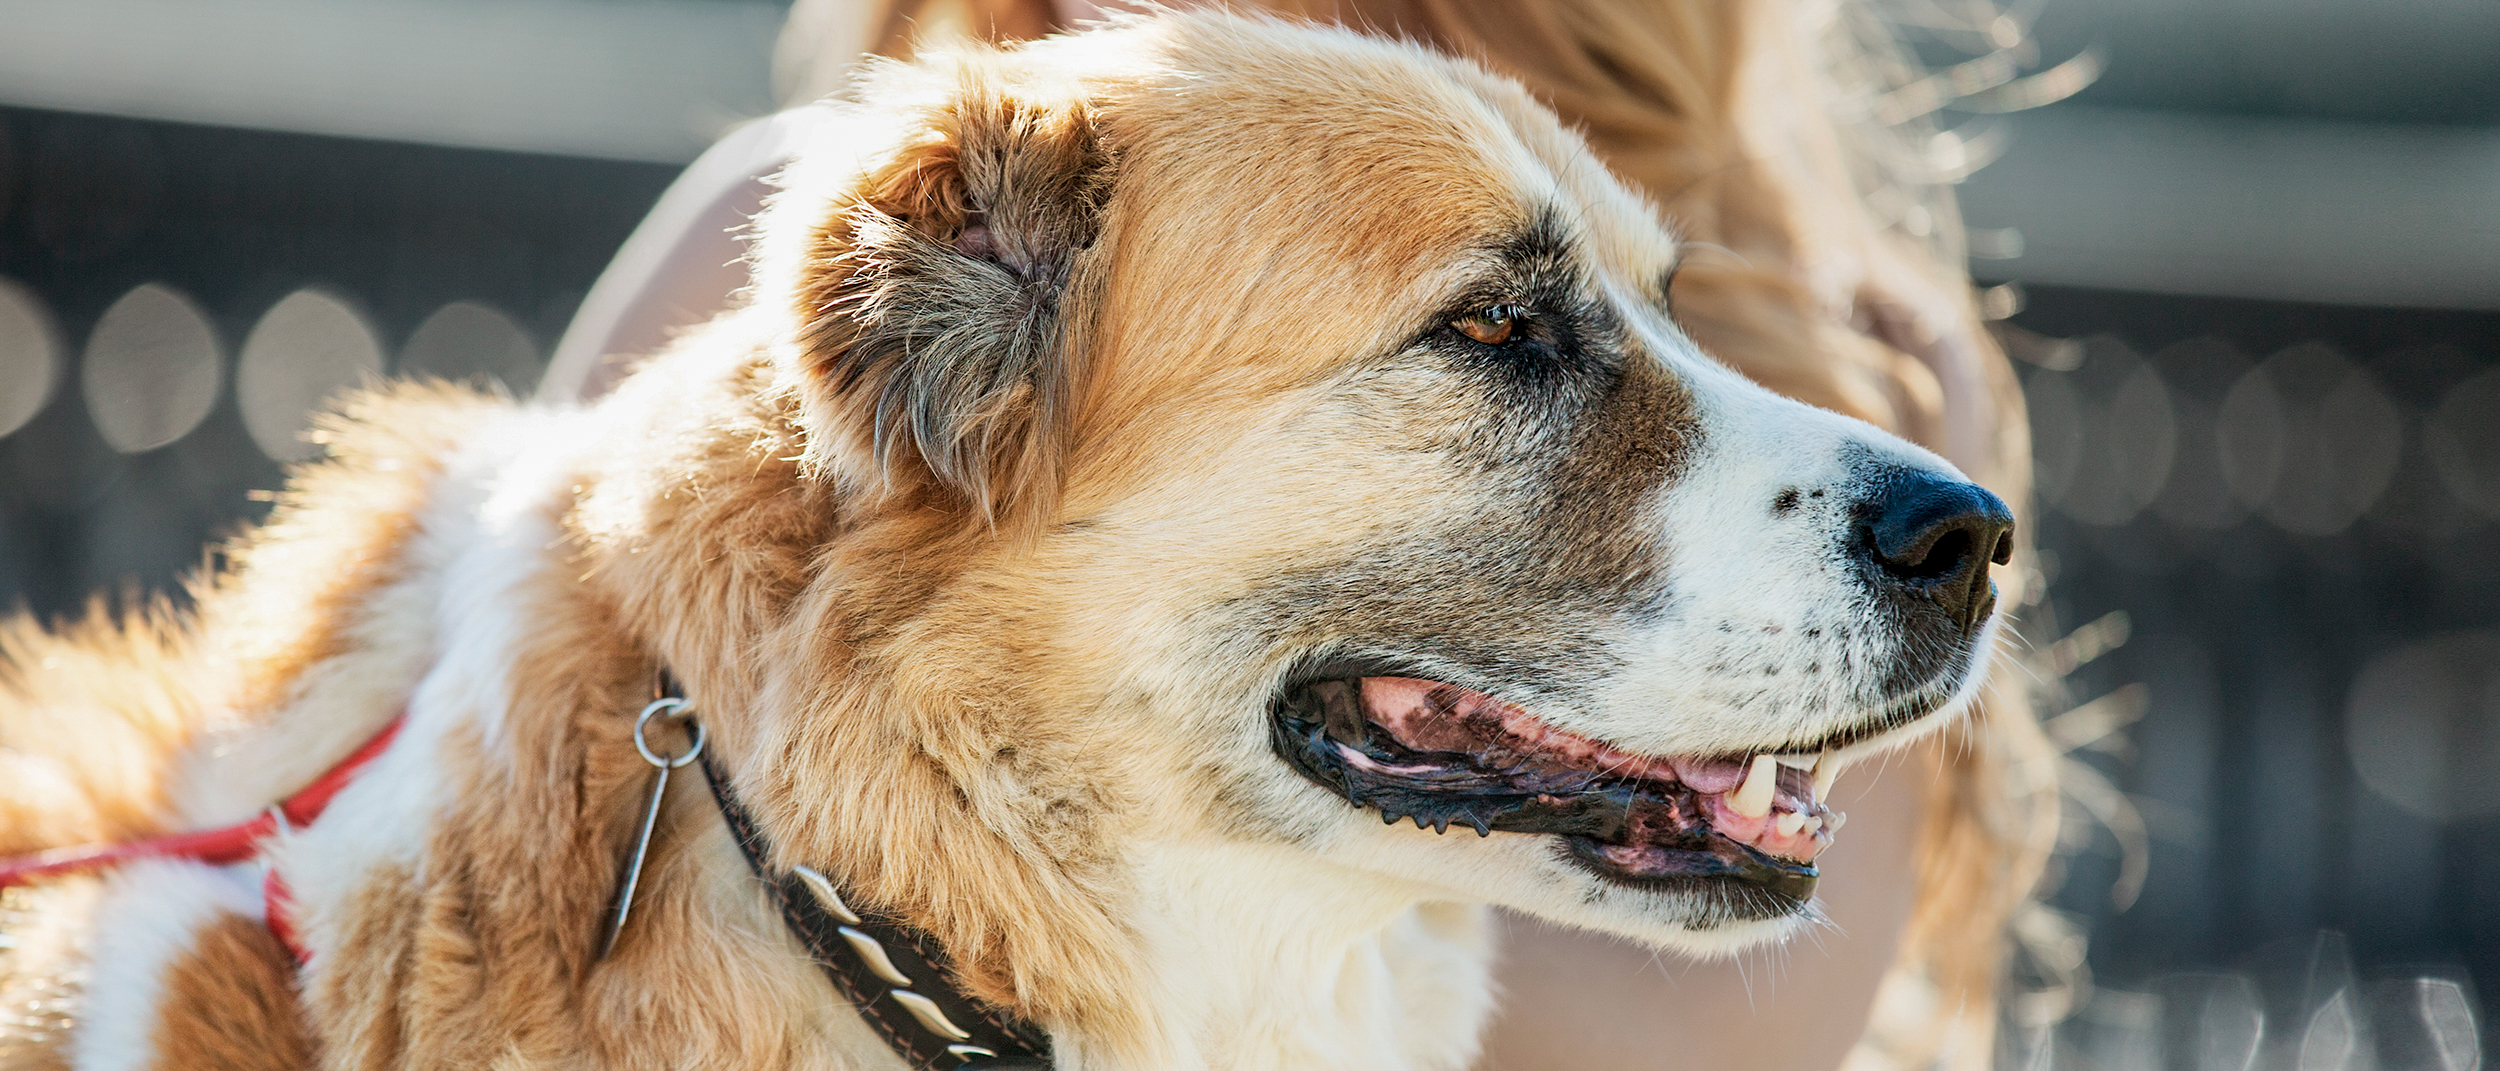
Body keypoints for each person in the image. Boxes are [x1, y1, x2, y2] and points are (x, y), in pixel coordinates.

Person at [538, 2, 2059, 1067]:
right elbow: (536, 666)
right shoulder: (817, 234)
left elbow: (1701, 1049)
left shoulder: (1783, 319)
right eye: (1501, 330)